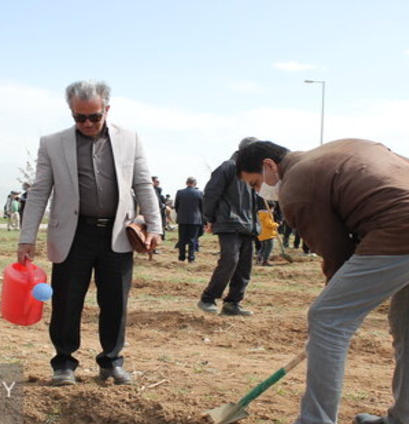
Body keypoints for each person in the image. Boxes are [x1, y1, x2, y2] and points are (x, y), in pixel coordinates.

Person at [236, 139, 409, 424]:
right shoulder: (339, 148)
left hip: (407, 227)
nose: (258, 191)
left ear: (269, 166)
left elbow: (336, 253)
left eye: (255, 183)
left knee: (326, 318)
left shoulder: (296, 185)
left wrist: (334, 314)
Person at [17, 80, 162, 387]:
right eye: (79, 117)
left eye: (93, 116)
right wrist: (26, 237)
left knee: (115, 302)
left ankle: (111, 362)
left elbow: (143, 185)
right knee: (67, 301)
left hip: (117, 234)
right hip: (73, 235)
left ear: (106, 109)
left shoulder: (130, 139)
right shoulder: (52, 143)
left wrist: (155, 226)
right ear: (71, 113)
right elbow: (40, 190)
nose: (86, 123)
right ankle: (64, 364)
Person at [197, 137, 259, 317]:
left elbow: (255, 199)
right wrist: (210, 218)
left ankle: (233, 304)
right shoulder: (228, 167)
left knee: (244, 267)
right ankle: (208, 298)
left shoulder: (253, 172)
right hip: (228, 223)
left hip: (248, 225)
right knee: (230, 260)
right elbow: (210, 194)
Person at [173, 176, 204, 262]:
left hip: (182, 219)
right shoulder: (200, 193)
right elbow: (202, 207)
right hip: (195, 219)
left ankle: (181, 256)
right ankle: (191, 257)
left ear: (186, 183)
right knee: (192, 239)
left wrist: (180, 214)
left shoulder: (180, 192)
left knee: (182, 238)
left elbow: (176, 206)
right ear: (195, 184)